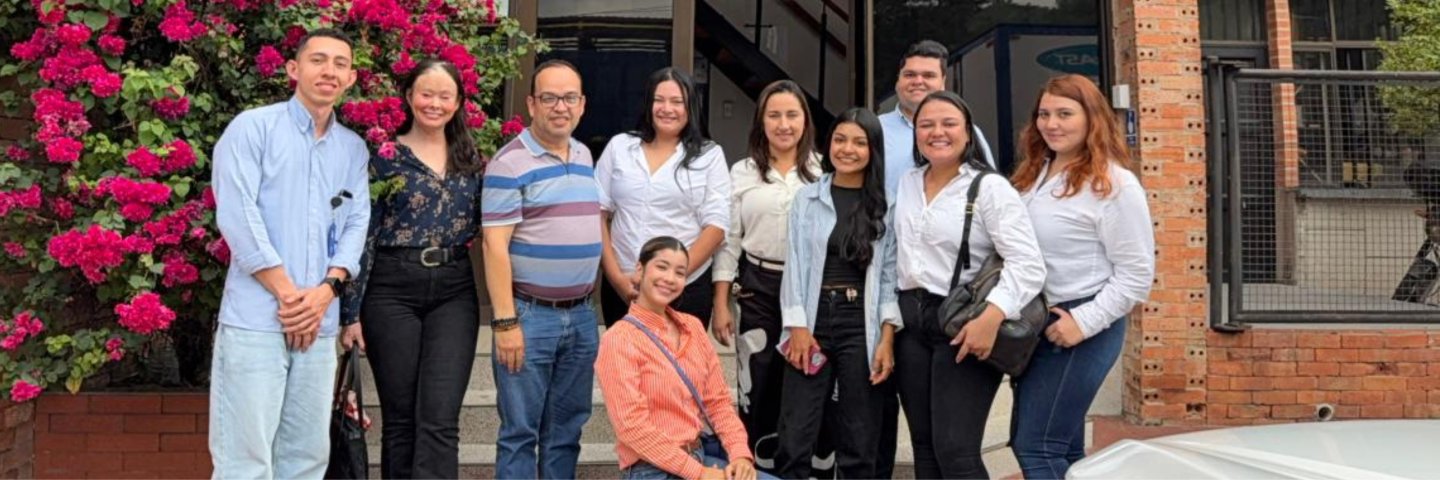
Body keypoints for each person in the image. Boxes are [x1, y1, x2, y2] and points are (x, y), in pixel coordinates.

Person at [209, 29, 370, 479]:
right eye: (318, 60)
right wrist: (289, 297)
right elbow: (239, 217)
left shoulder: (352, 149)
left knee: (305, 459)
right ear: (293, 70)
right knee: (245, 460)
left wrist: (324, 295)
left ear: (351, 77)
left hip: (320, 323)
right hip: (256, 321)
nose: (329, 70)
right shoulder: (252, 128)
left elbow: (357, 225)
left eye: (340, 63)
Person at [339, 59, 482, 479]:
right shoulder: (383, 157)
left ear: (457, 103)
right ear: (408, 97)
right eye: (426, 93)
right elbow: (362, 234)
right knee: (400, 419)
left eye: (444, 96)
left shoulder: (471, 159)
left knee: (440, 416)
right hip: (390, 287)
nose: (434, 104)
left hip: (454, 288)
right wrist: (351, 313)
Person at [1008, 74, 1155, 480]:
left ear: (1092, 118)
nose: (1051, 124)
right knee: (1065, 447)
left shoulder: (1115, 184)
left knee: (1036, 447)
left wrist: (1083, 323)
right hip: (1038, 322)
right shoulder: (1034, 174)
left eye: (1064, 114)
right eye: (1044, 114)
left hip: (1082, 324)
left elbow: (1137, 274)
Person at [892, 91, 1045, 479]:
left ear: (967, 133)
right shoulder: (908, 183)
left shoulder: (988, 188)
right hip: (912, 324)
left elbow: (1027, 264)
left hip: (965, 322)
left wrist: (991, 318)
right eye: (926, 125)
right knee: (924, 448)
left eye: (948, 124)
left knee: (956, 451)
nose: (936, 132)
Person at [480, 59, 602, 479]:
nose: (560, 107)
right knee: (519, 432)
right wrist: (505, 321)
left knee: (567, 431)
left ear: (582, 104)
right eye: (549, 97)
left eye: (569, 97)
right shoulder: (509, 163)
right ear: (531, 103)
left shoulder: (585, 154)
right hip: (530, 317)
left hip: (583, 316)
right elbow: (494, 245)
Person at [773, 107, 900, 478]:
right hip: (810, 319)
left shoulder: (886, 204)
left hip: (861, 321)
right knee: (795, 434)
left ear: (873, 150)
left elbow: (890, 274)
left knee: (859, 438)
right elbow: (794, 265)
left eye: (860, 142)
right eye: (840, 139)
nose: (848, 149)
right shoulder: (807, 199)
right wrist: (797, 326)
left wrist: (887, 337)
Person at [708, 79, 819, 471]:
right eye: (774, 115)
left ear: (805, 120)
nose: (783, 124)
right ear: (761, 120)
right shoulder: (743, 172)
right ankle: (756, 470)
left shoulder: (822, 172)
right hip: (758, 287)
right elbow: (729, 242)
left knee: (807, 386)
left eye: (792, 114)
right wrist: (721, 302)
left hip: (812, 293)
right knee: (758, 383)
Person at [595, 236, 771, 480]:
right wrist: (699, 474)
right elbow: (632, 428)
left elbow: (717, 402)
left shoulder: (693, 327)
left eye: (679, 272)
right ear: (640, 269)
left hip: (699, 456)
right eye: (662, 267)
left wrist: (740, 454)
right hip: (652, 469)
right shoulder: (619, 339)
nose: (669, 279)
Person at [597, 67, 730, 328]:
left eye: (677, 101)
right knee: (624, 367)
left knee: (680, 368)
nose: (667, 108)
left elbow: (716, 228)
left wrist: (672, 277)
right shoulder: (620, 147)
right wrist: (616, 278)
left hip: (685, 291)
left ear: (690, 107)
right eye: (659, 100)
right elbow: (597, 214)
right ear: (648, 105)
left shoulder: (709, 156)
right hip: (624, 287)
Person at [880, 40, 996, 198]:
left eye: (928, 75)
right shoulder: (874, 129)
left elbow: (988, 189)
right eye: (910, 75)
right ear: (897, 82)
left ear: (943, 83)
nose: (918, 81)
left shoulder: (965, 133)